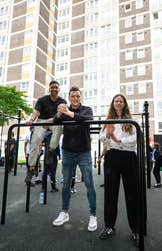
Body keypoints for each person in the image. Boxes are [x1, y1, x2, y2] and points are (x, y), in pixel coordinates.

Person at [48, 86, 97, 232]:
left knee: (89, 183)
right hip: (68, 152)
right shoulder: (64, 111)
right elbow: (56, 123)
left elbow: (87, 120)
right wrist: (58, 113)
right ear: (69, 97)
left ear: (80, 97)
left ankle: (93, 215)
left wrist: (69, 113)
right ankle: (64, 212)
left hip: (84, 153)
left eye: (77, 96)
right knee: (65, 185)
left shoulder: (87, 110)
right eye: (72, 96)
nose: (75, 98)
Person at [99, 94, 139, 246]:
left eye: (121, 101)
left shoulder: (132, 121)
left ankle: (136, 230)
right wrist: (109, 136)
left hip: (129, 158)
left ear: (124, 104)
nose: (118, 103)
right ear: (113, 103)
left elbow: (135, 139)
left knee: (132, 195)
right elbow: (102, 138)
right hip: (112, 157)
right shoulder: (108, 120)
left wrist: (118, 140)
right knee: (110, 193)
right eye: (116, 101)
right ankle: (109, 226)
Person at [25, 80, 66, 184]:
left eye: (56, 87)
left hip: (54, 120)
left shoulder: (62, 101)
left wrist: (50, 121)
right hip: (41, 121)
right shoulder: (42, 100)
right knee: (35, 140)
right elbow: (36, 111)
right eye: (52, 87)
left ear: (59, 89)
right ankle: (31, 167)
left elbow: (59, 115)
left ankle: (51, 150)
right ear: (49, 89)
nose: (54, 89)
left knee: (59, 127)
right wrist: (31, 120)